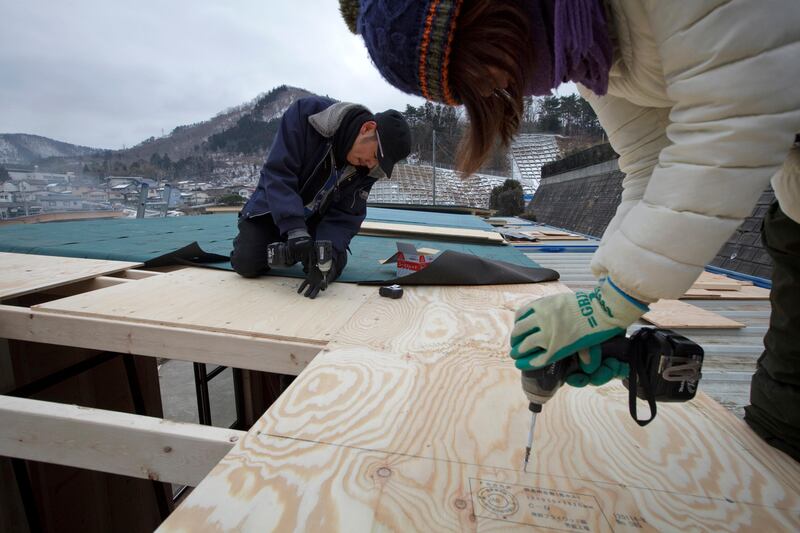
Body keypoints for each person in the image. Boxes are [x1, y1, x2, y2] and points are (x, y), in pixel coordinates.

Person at [341, 0, 800, 459]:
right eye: (471, 90)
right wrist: (602, 303)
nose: (496, 86)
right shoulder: (585, 49)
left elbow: (727, 127)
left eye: (479, 67)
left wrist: (612, 302)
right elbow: (648, 163)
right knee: (781, 422)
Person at [231, 96, 411, 298]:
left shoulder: (367, 169)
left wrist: (328, 256)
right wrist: (294, 228)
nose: (371, 165)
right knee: (246, 262)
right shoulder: (308, 116)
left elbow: (345, 215)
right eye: (376, 156)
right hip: (273, 208)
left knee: (327, 262)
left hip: (316, 221)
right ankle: (286, 247)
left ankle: (310, 256)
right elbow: (279, 174)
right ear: (367, 128)